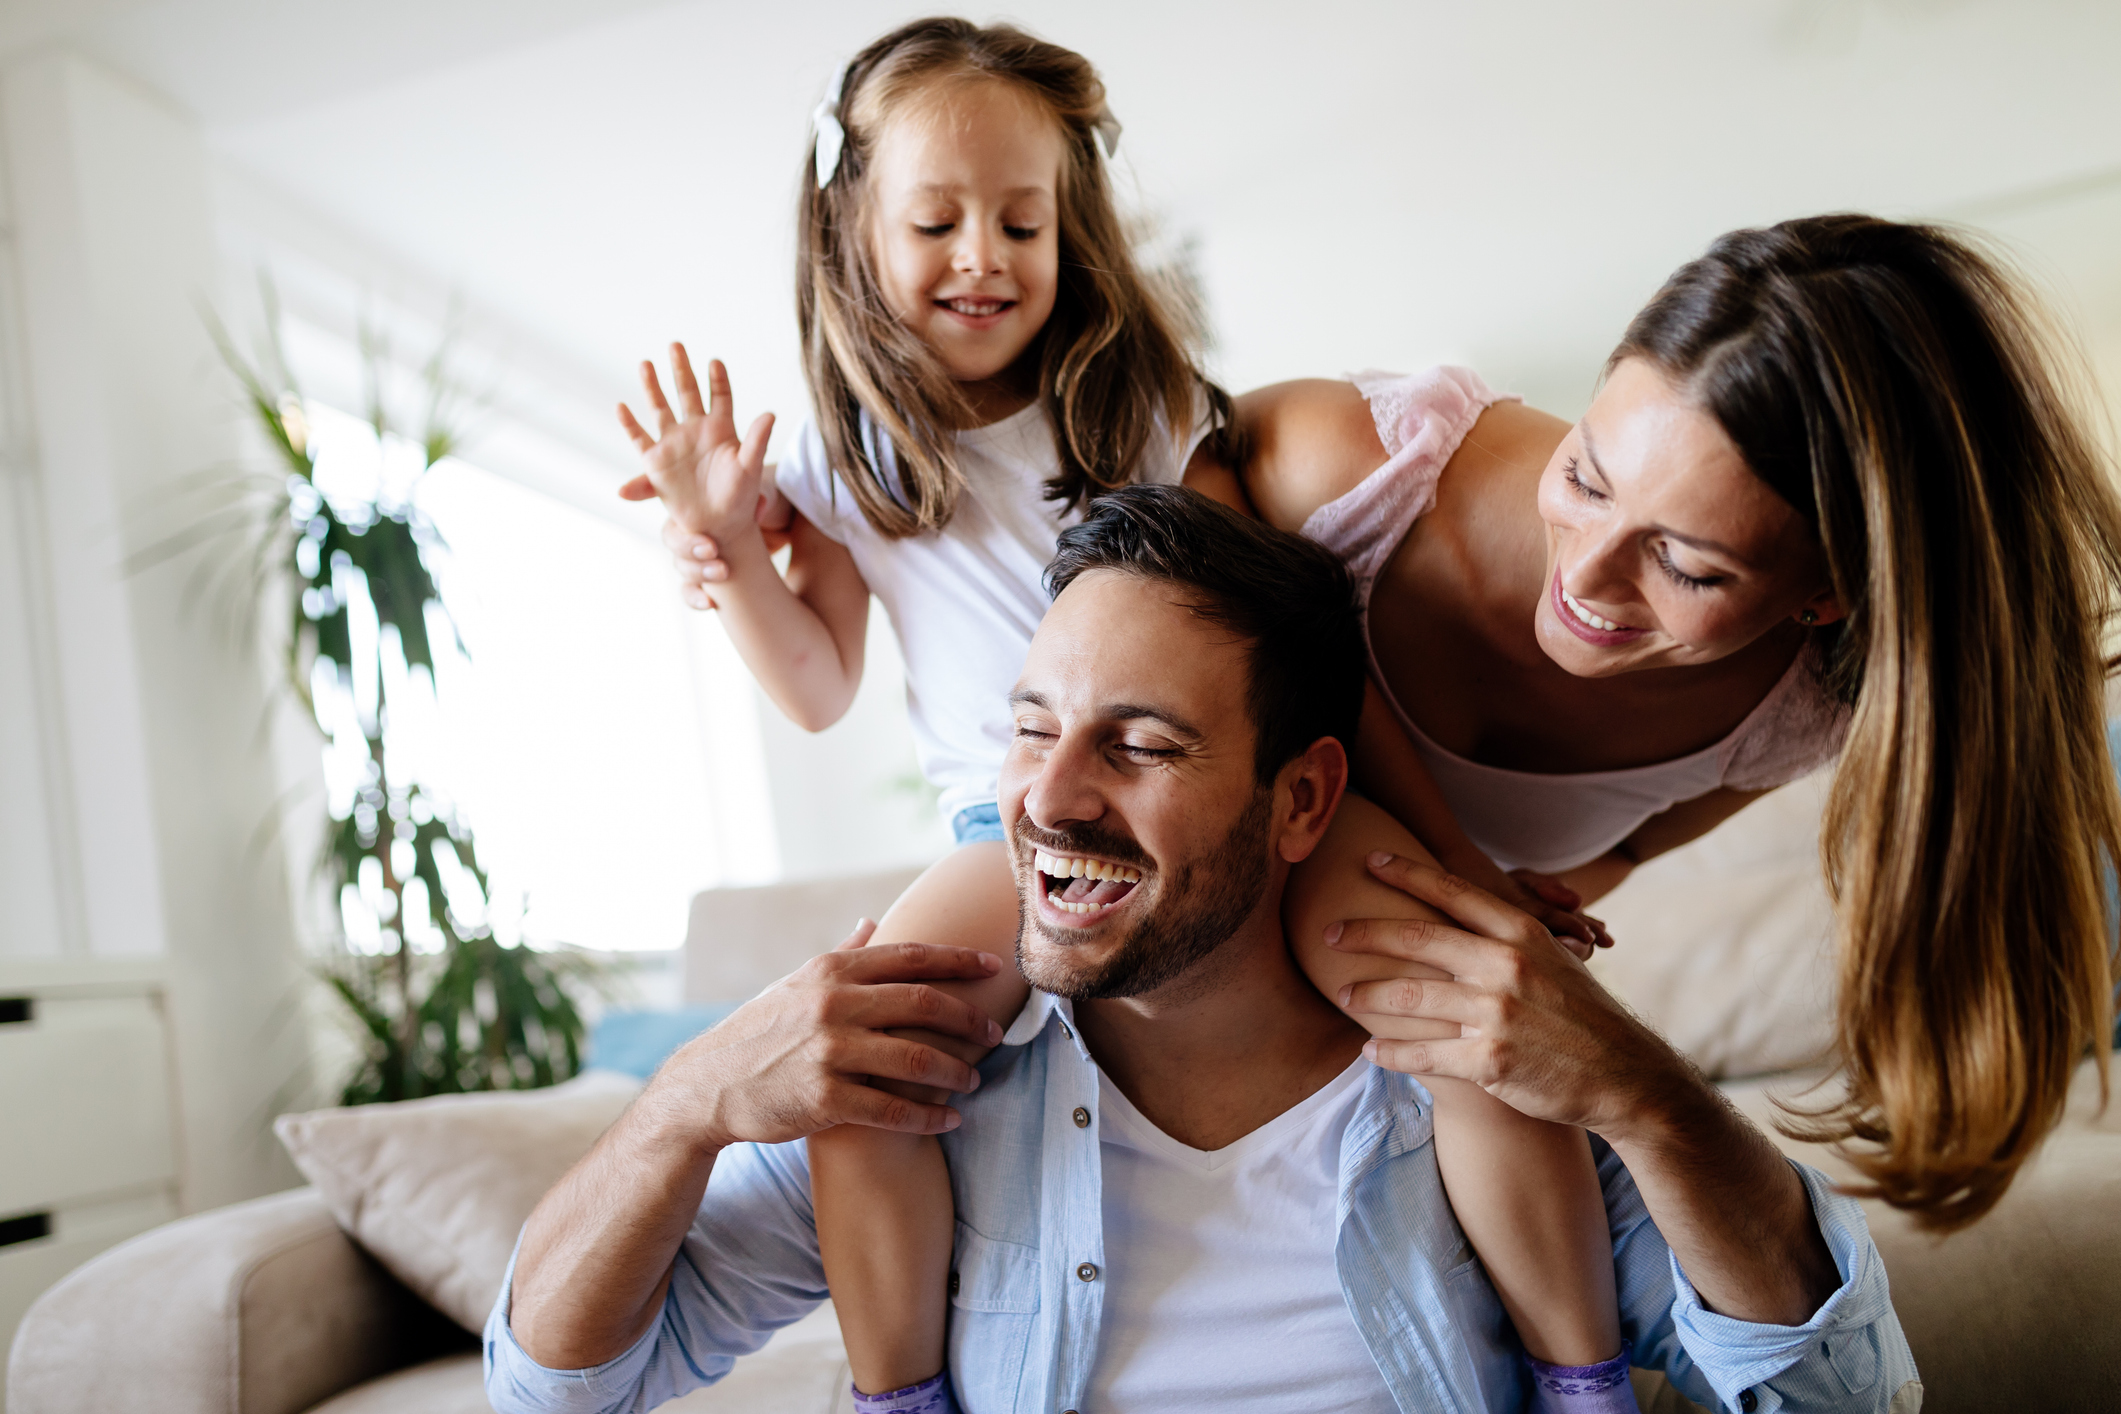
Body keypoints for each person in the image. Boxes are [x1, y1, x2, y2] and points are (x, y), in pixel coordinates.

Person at [619, 17, 1619, 1409]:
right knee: (869, 1070)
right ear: (852, 231)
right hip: (1006, 834)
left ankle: (1583, 1377)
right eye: (936, 223)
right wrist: (729, 547)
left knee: (1463, 1014)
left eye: (1021, 223)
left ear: (1070, 227)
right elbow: (815, 686)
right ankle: (900, 1394)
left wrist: (1463, 868)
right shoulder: (846, 462)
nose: (983, 256)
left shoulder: (1145, 410)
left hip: (1225, 785)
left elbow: (1299, 658)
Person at [487, 486, 1919, 1414]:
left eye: (1142, 744)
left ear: (1301, 800)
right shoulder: (927, 1084)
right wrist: (686, 1102)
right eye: (1033, 728)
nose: (1047, 800)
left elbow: (1841, 1400)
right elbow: (550, 1388)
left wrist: (1649, 1097)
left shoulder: (1471, 1070)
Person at [1243, 215, 2121, 1233]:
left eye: (1687, 566)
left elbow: (1617, 851)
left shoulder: (1796, 711)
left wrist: (1503, 929)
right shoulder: (1342, 470)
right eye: (1585, 476)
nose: (1584, 575)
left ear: (1825, 596)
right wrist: (1460, 865)